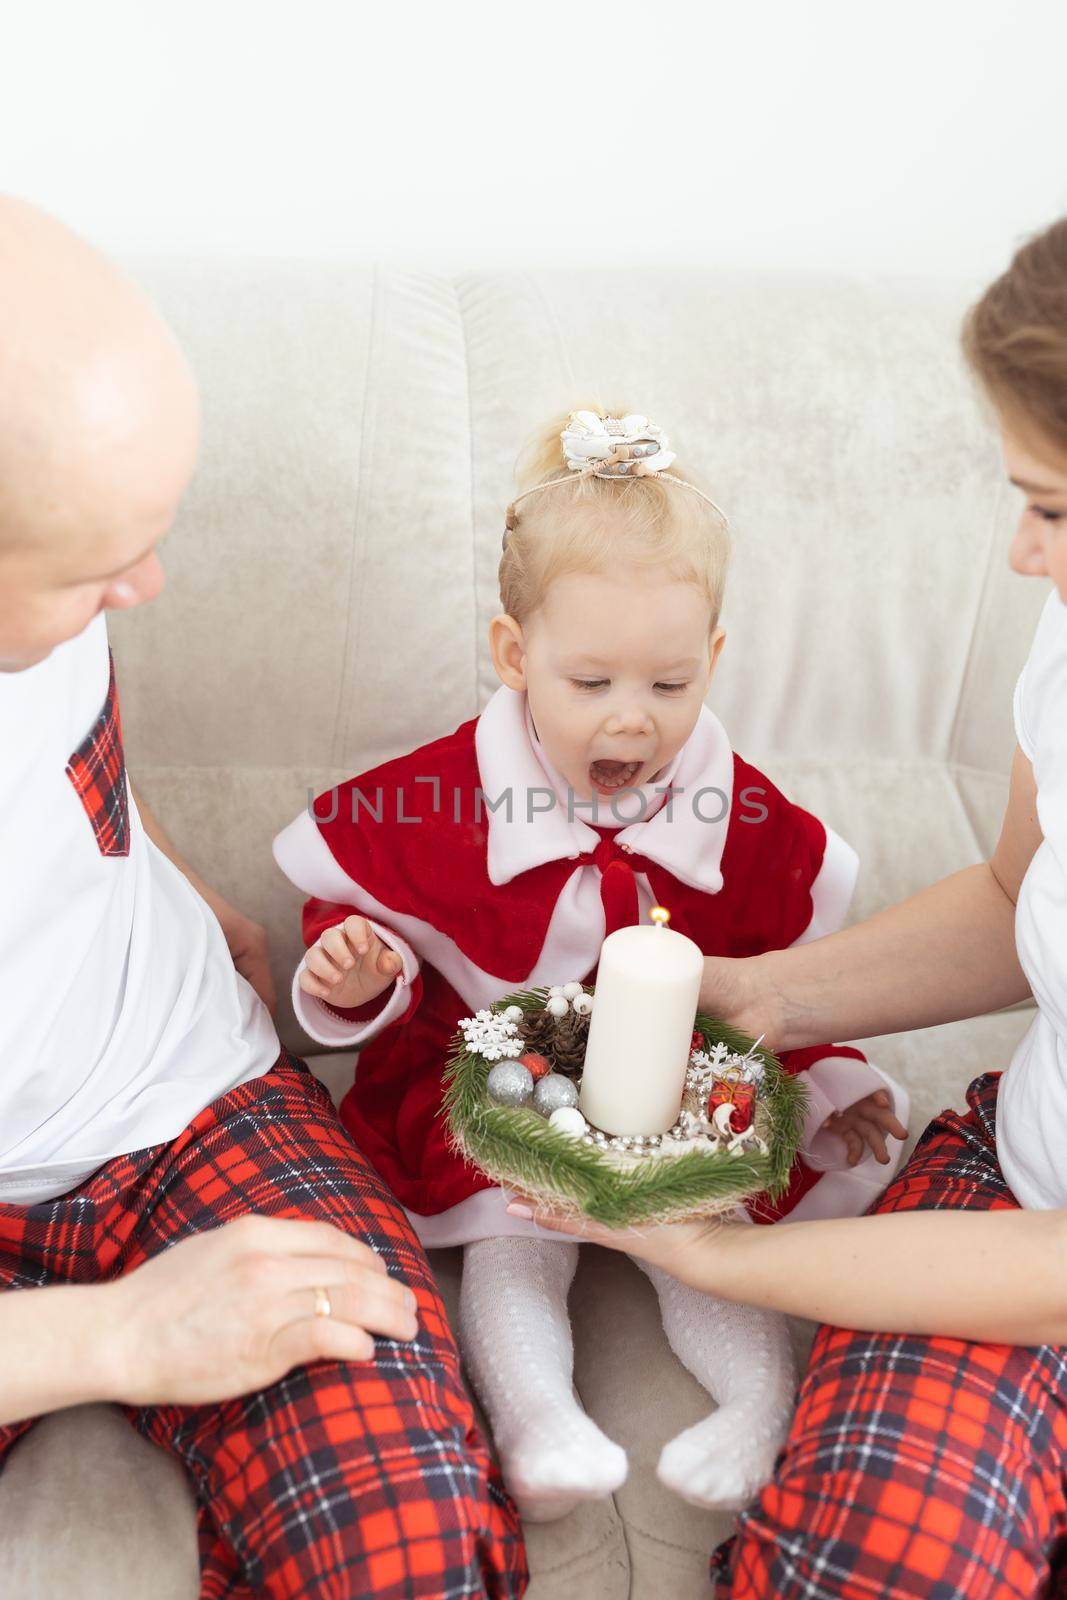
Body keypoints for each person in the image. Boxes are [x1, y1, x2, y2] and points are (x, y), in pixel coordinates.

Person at [510, 221, 1067, 1599]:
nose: (1014, 554)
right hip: (1019, 1185)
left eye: (1052, 507)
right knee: (859, 1569)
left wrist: (711, 1255)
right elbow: (1014, 894)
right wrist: (772, 994)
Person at [0, 195, 526, 1600]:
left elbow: (55, 737)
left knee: (408, 1553)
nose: (150, 586)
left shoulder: (49, 591)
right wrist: (121, 1337)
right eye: (96, 570)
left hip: (193, 1105)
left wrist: (152, 864)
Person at [273, 405, 908, 1523]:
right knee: (520, 1225)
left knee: (703, 1229)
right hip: (498, 1077)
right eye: (591, 683)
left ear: (711, 659)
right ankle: (537, 1420)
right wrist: (357, 973)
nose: (634, 721)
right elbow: (363, 915)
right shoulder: (436, 796)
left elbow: (797, 968)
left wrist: (833, 1079)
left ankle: (754, 1410)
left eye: (669, 686)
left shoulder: (743, 812)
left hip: (672, 1080)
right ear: (516, 656)